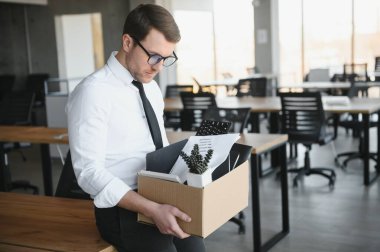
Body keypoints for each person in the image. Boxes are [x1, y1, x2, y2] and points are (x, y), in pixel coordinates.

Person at [66, 4, 206, 252]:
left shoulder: (150, 86)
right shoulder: (93, 92)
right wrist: (151, 208)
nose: (158, 67)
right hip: (121, 209)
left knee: (196, 247)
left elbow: (158, 147)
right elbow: (88, 173)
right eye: (153, 56)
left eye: (166, 59)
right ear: (128, 42)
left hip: (161, 192)